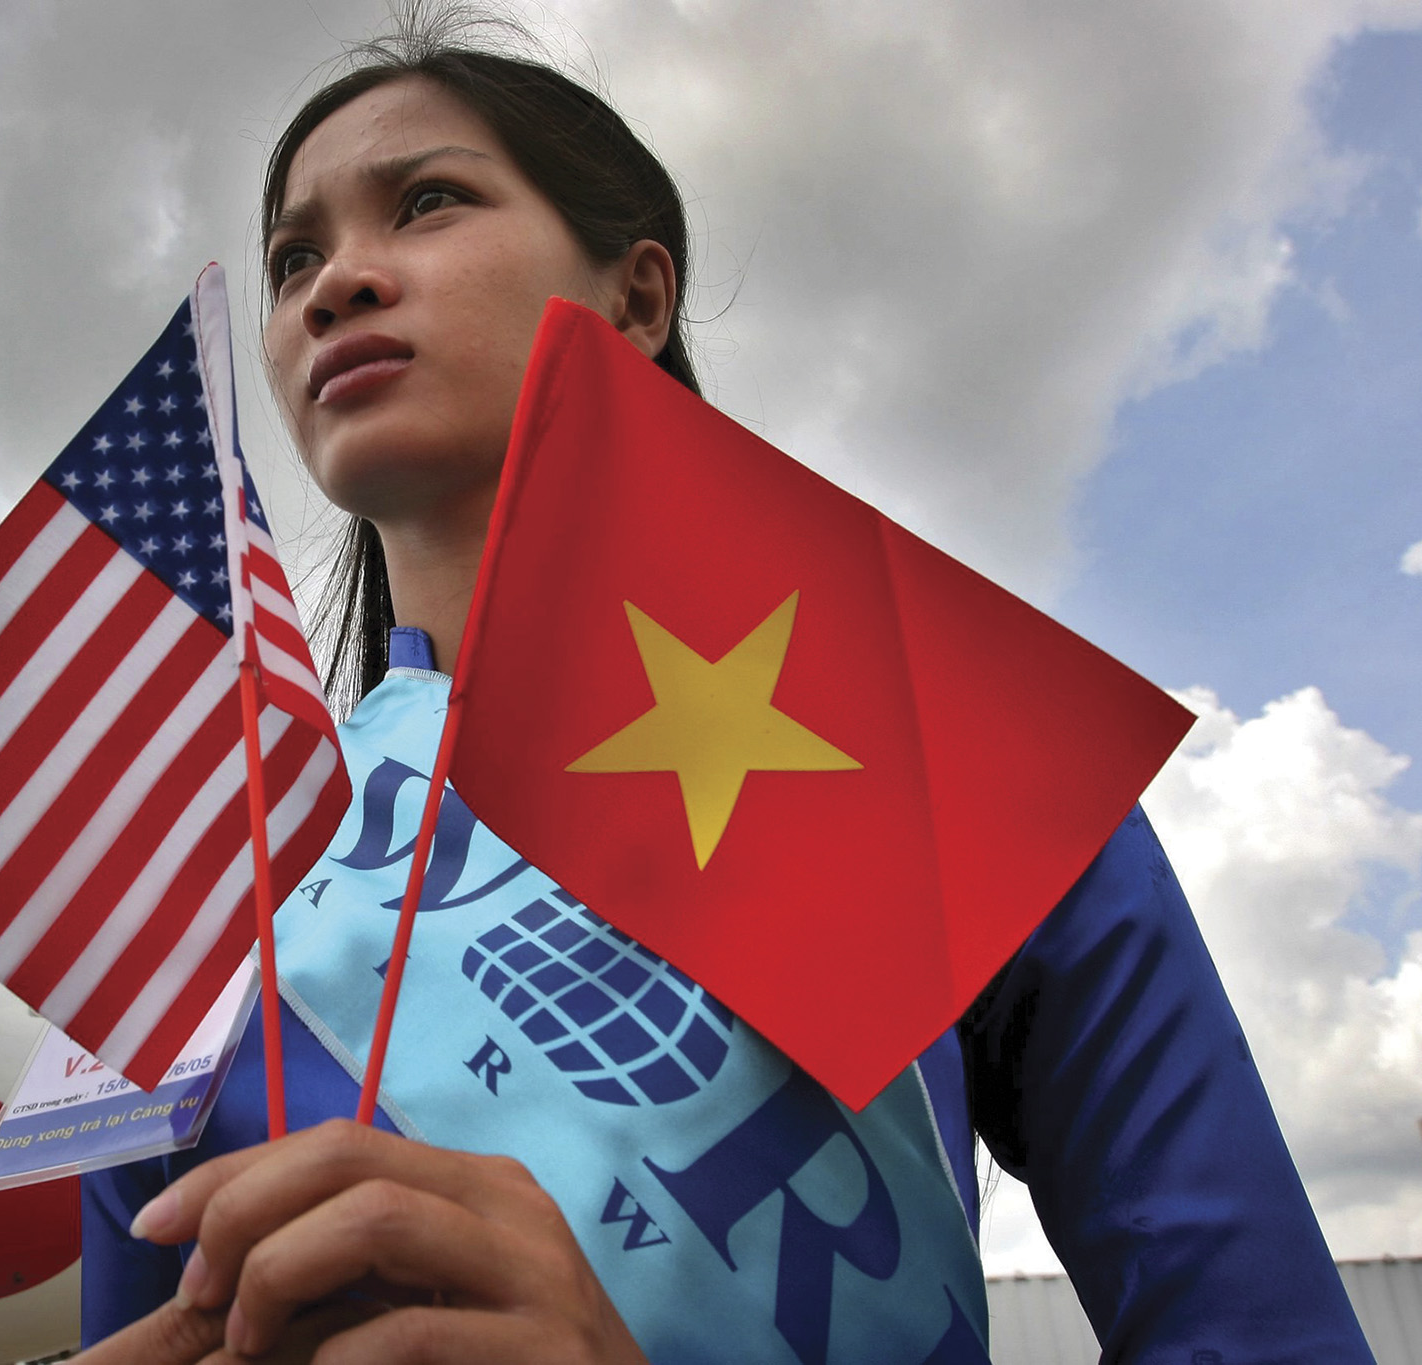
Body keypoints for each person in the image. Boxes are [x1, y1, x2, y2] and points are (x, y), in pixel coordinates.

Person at [75, 21, 1374, 1365]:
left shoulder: (946, 751)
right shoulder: (201, 890)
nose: (337, 280)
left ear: (637, 297)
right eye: (295, 258)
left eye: (429, 201)